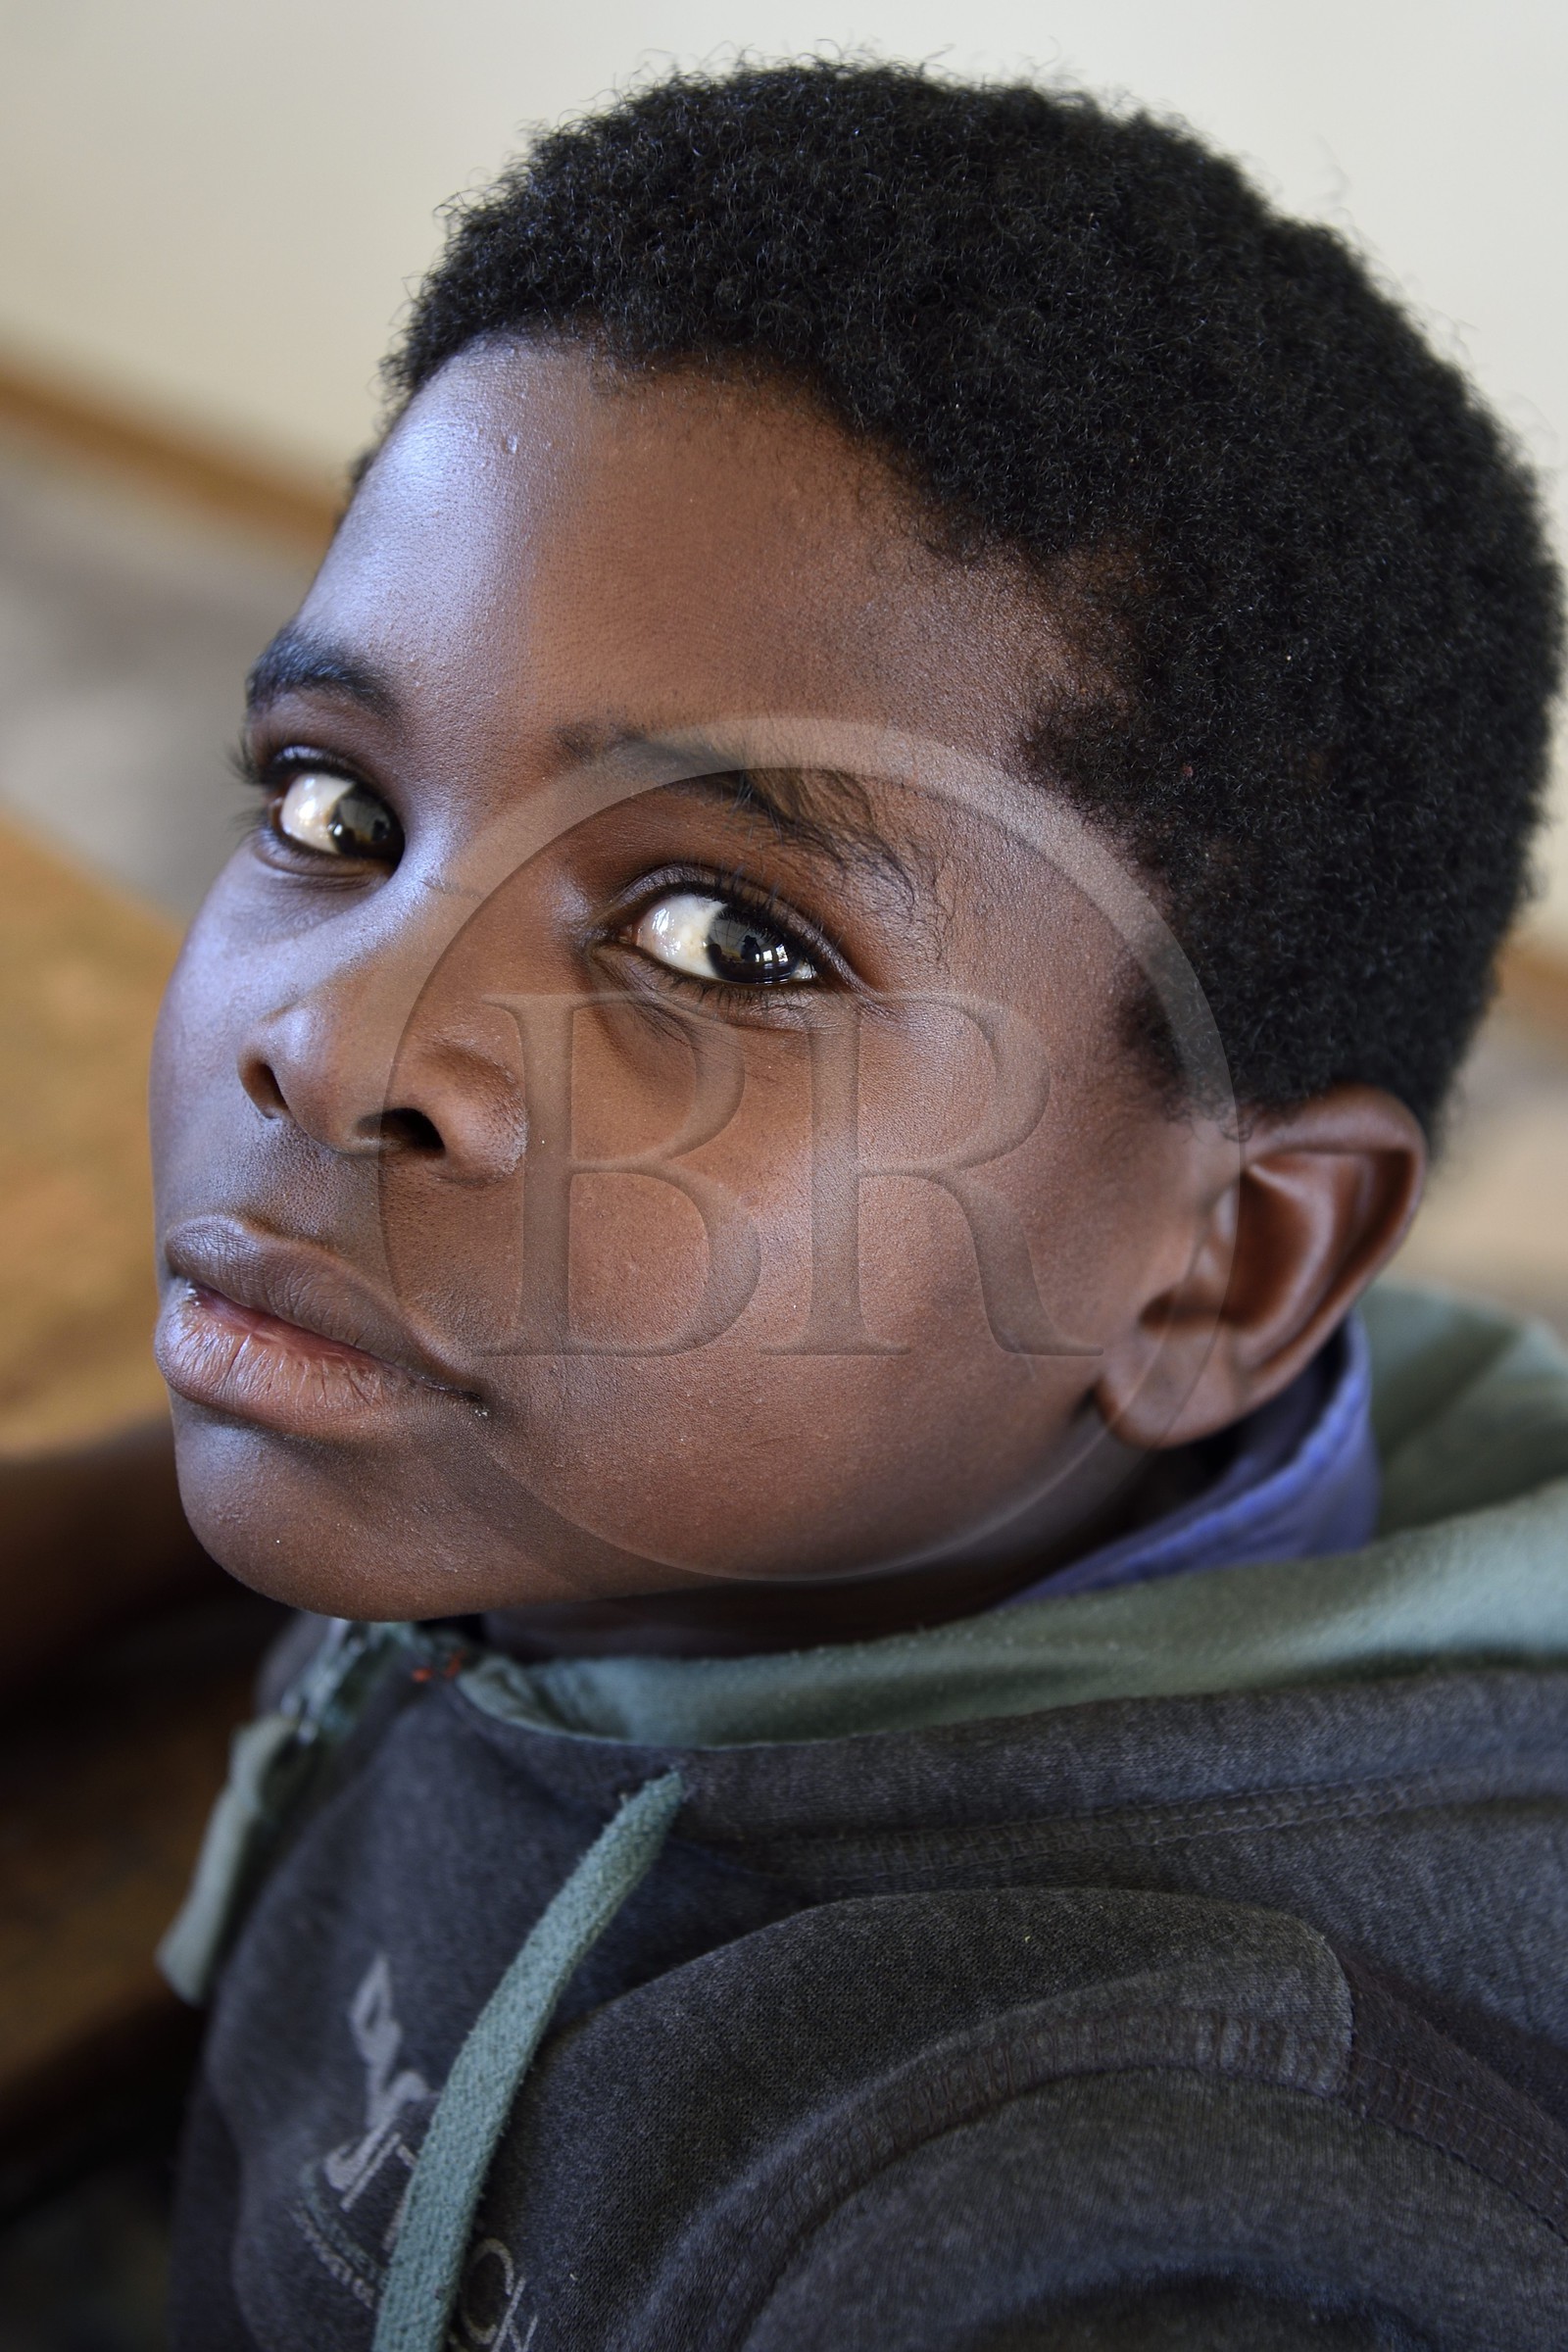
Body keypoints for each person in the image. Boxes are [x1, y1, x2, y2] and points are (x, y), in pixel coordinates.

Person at [153, 61, 1568, 2349]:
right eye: (333, 801)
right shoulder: (620, 1450)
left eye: (725, 942)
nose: (331, 1043)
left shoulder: (1126, 2221)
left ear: (1226, 1262)